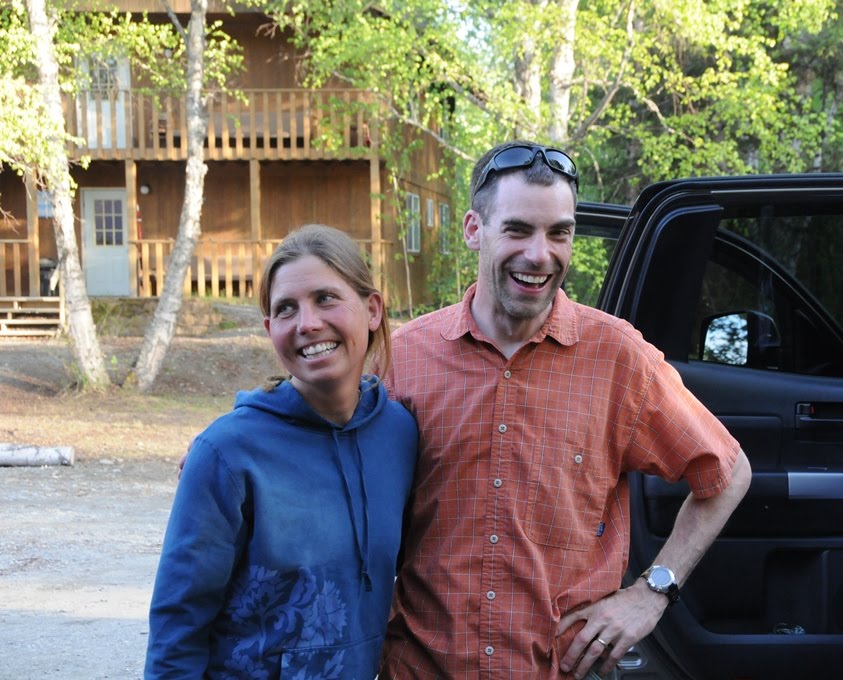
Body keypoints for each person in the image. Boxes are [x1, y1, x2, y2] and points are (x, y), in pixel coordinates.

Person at [380, 141, 752, 679]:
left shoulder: (617, 357)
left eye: (559, 233)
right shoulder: (403, 359)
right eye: (517, 230)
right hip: (422, 668)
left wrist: (652, 593)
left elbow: (728, 472)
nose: (540, 254)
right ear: (474, 230)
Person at [147, 224, 418, 679]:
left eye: (325, 298)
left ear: (372, 310)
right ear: (271, 329)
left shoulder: (400, 434)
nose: (306, 323)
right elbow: (178, 624)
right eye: (286, 308)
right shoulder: (227, 452)